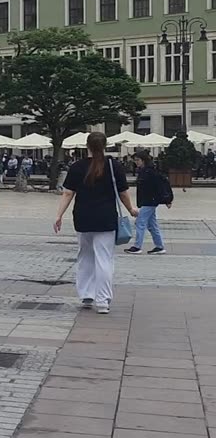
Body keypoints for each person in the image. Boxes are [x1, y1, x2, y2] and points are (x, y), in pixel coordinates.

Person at [54, 132, 138, 314]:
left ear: (87, 146)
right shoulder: (114, 166)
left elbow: (68, 193)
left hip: (83, 217)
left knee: (85, 256)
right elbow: (123, 193)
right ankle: (103, 301)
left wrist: (59, 215)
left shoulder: (77, 167)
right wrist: (131, 209)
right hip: (106, 218)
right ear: (105, 145)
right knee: (104, 259)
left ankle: (86, 294)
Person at [125, 150, 170, 255]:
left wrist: (166, 200)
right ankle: (159, 246)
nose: (136, 162)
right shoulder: (145, 171)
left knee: (140, 222)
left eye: (138, 160)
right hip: (148, 200)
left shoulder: (150, 172)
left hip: (150, 201)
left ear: (143, 160)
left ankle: (137, 246)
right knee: (152, 224)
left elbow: (159, 187)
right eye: (135, 160)